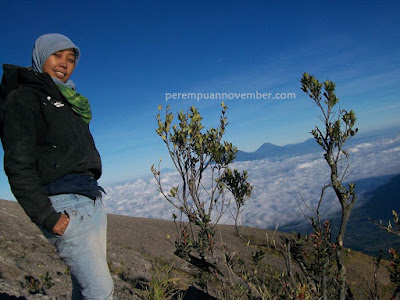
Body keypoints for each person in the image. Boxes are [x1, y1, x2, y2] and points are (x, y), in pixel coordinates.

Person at [0, 33, 114, 299]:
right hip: (64, 205)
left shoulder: (68, 101)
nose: (64, 63)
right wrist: (48, 217)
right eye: (57, 55)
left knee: (84, 287)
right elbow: (17, 164)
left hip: (90, 200)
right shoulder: (25, 97)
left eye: (70, 59)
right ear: (41, 57)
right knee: (101, 291)